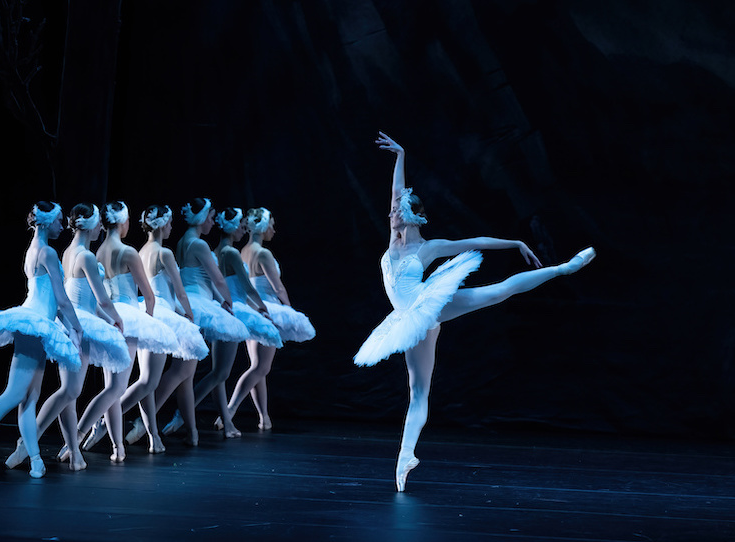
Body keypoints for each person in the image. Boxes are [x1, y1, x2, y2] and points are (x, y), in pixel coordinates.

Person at [355, 132, 596, 492]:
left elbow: (477, 241)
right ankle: (405, 459)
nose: (390, 213)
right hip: (409, 321)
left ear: (409, 218)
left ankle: (565, 268)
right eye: (392, 210)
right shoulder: (393, 243)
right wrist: (401, 155)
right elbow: (396, 192)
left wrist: (515, 241)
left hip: (427, 303)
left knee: (495, 293)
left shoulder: (428, 247)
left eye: (396, 211)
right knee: (417, 392)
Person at [0, 202, 82, 479]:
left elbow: (49, 300)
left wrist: (66, 327)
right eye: (58, 220)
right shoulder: (47, 252)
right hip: (34, 325)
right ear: (45, 223)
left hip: (37, 323)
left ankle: (35, 460)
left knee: (29, 398)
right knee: (14, 394)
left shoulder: (33, 251)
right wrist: (77, 329)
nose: (62, 225)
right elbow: (61, 299)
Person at [6, 203, 131, 472]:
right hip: (78, 323)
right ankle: (28, 441)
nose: (101, 228)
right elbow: (102, 300)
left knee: (70, 393)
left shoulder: (67, 252)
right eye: (99, 224)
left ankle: (74, 453)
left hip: (71, 321)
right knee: (70, 391)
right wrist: (115, 319)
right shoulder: (85, 255)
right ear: (89, 226)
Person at [82, 205, 209, 454]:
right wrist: (186, 316)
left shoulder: (106, 252)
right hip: (148, 313)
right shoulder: (156, 252)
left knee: (145, 381)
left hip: (121, 314)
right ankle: (103, 423)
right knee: (145, 382)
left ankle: (152, 436)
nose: (172, 227)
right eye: (170, 222)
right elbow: (173, 292)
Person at [59, 201, 179, 462]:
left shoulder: (98, 250)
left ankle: (117, 447)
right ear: (123, 222)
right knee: (117, 388)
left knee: (112, 387)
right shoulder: (128, 252)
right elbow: (149, 296)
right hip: (124, 316)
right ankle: (78, 435)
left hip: (105, 318)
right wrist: (148, 322)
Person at [154, 198, 248, 447]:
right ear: (200, 218)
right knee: (189, 371)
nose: (211, 221)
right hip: (199, 304)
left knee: (190, 372)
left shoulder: (183, 242)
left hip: (193, 302)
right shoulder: (199, 244)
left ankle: (205, 426)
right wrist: (229, 304)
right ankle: (150, 419)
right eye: (209, 217)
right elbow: (217, 280)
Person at [189, 207, 282, 439]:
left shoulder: (224, 251)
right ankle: (209, 411)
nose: (243, 229)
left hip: (230, 309)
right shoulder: (233, 253)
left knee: (241, 369)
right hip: (241, 308)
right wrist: (266, 308)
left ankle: (259, 416)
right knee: (243, 369)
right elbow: (252, 287)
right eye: (240, 226)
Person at [222, 207, 315, 432]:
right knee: (261, 367)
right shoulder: (263, 253)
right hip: (266, 309)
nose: (274, 229)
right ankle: (229, 410)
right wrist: (290, 311)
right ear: (263, 228)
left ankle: (264, 416)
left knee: (258, 367)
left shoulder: (243, 251)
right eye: (271, 224)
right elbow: (278, 286)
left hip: (250, 309)